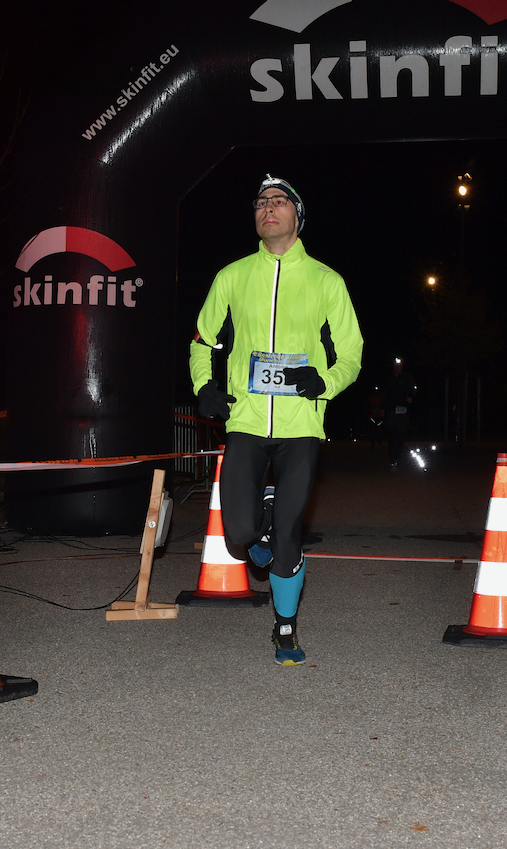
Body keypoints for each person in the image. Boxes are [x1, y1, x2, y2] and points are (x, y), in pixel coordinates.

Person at [189, 174, 363, 665]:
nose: (269, 207)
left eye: (280, 201)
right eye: (261, 201)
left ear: (297, 216)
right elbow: (202, 341)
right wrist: (205, 386)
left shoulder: (327, 280)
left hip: (301, 424)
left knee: (288, 534)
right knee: (239, 536)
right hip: (244, 418)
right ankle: (259, 523)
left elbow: (351, 351)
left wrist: (324, 381)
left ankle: (285, 627)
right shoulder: (232, 275)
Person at [383, 357, 417, 469]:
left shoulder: (407, 377)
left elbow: (413, 390)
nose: (398, 368)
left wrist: (411, 397)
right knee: (392, 436)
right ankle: (392, 460)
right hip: (392, 411)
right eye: (396, 366)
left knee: (401, 437)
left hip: (403, 411)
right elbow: (384, 394)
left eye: (399, 366)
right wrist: (383, 408)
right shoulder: (388, 378)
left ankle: (397, 457)